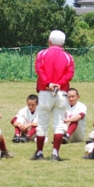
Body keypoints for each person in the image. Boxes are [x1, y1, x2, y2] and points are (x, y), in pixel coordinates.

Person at [31, 30, 75, 161]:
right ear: (63, 42)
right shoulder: (68, 57)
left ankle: (39, 152)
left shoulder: (42, 54)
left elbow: (39, 70)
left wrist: (48, 83)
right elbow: (70, 74)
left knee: (42, 123)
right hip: (61, 92)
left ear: (49, 41)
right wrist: (59, 84)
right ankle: (55, 152)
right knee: (59, 124)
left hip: (45, 91)